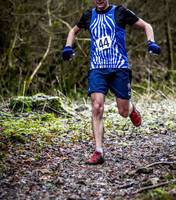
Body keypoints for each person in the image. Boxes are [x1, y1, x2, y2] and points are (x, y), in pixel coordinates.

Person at [62, 0, 161, 165]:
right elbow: (73, 31)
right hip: (97, 69)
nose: (99, 0)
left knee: (123, 111)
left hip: (119, 69)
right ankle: (98, 151)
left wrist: (151, 42)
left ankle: (131, 109)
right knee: (96, 106)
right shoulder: (88, 15)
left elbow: (147, 26)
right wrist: (67, 47)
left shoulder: (120, 12)